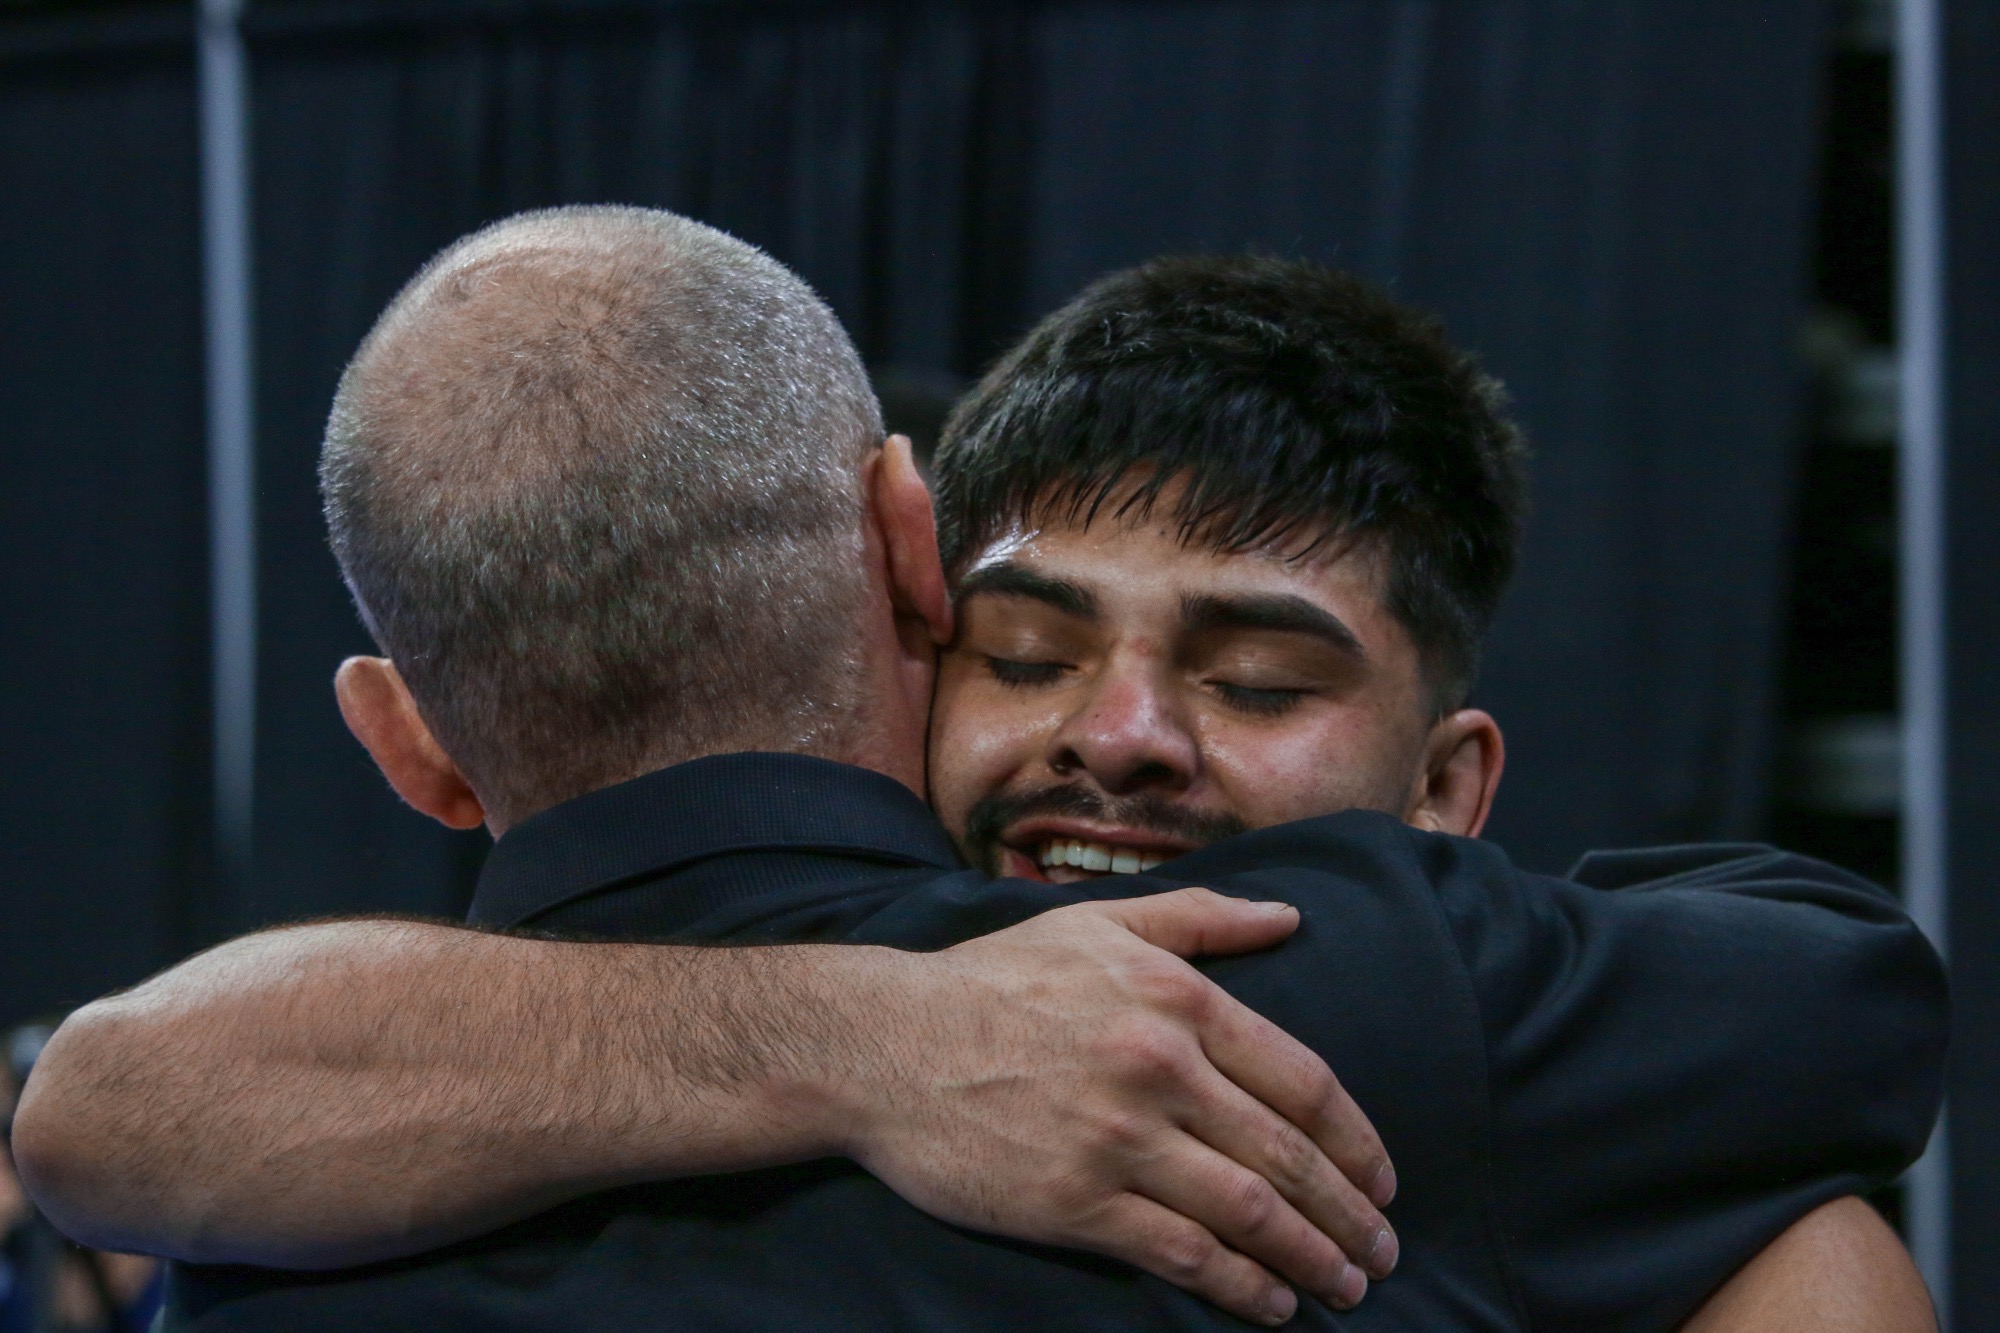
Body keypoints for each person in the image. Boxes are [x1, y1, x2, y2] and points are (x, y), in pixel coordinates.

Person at [19, 209, 1943, 1329]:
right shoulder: (1373, 1012)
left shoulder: (272, 1222)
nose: (1116, 734)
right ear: (913, 575)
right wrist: (867, 1033)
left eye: (1255, 678)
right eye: (1030, 650)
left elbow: (100, 1103)